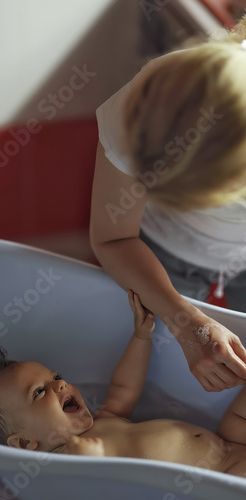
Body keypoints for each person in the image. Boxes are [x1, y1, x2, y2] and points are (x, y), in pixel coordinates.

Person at [89, 13, 246, 392]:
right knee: (157, 364)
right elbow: (113, 239)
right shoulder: (145, 103)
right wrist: (185, 323)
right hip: (159, 252)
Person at [0, 292, 246, 477]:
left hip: (229, 439)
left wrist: (141, 337)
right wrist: (93, 459)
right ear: (25, 442)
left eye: (55, 377)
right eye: (39, 392)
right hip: (222, 478)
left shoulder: (104, 419)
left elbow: (126, 387)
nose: (60, 384)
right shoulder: (64, 467)